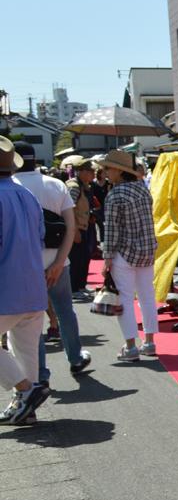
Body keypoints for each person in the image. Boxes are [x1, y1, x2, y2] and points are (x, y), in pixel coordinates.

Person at [12, 144, 92, 384]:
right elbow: (70, 227)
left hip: (25, 267)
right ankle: (76, 357)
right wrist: (59, 261)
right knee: (65, 311)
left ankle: (40, 373)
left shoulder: (10, 187)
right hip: (59, 261)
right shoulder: (55, 184)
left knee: (30, 320)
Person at [0, 136, 51, 425]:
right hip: (33, 283)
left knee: (22, 349)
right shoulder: (26, 195)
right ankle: (26, 408)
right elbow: (41, 236)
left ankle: (25, 390)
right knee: (26, 350)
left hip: (6, 287)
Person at [99, 150, 159, 362]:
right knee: (147, 296)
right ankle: (150, 342)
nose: (104, 172)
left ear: (119, 170)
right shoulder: (143, 190)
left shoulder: (115, 195)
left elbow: (112, 230)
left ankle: (131, 346)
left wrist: (106, 258)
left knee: (124, 299)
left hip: (124, 253)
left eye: (107, 168)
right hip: (147, 249)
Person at [64, 156, 97, 295]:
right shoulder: (74, 187)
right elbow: (68, 209)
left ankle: (81, 286)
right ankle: (74, 289)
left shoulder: (84, 186)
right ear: (82, 171)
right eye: (91, 171)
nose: (94, 174)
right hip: (76, 229)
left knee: (85, 258)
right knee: (76, 260)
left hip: (85, 226)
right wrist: (74, 230)